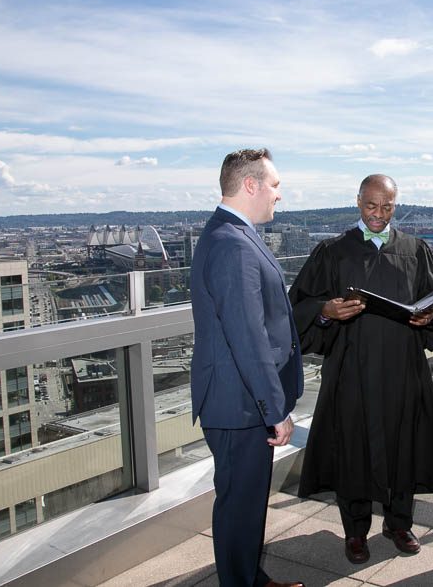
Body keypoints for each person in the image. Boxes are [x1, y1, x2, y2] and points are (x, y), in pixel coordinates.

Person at [290, 174, 433, 565]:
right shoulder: (332, 251)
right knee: (351, 446)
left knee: (404, 443)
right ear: (357, 202)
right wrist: (325, 310)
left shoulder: (416, 249)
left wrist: (429, 317)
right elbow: (298, 307)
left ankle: (398, 523)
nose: (379, 214)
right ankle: (355, 531)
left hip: (404, 368)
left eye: (387, 206)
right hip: (351, 369)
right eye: (372, 205)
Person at [190, 149, 304, 587]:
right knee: (240, 506)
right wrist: (273, 409)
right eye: (274, 185)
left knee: (248, 502)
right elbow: (248, 335)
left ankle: (250, 577)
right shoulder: (232, 243)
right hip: (240, 404)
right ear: (250, 185)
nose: (279, 194)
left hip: (239, 399)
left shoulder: (233, 233)